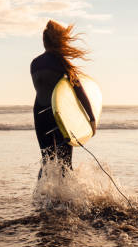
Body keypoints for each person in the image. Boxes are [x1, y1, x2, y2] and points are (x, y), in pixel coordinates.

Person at [30, 20, 96, 178]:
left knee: (47, 160)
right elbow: (79, 91)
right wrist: (91, 119)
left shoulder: (34, 63)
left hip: (39, 113)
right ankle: (67, 198)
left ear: (44, 42)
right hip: (59, 115)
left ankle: (43, 195)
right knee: (65, 163)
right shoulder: (62, 63)